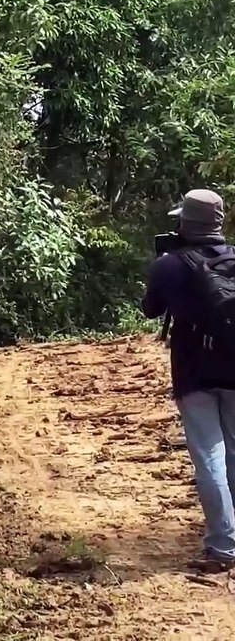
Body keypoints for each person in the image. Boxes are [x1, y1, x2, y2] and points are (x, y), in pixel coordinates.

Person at [142, 189, 235, 572]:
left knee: (208, 455)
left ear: (184, 223)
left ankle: (223, 545)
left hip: (194, 370)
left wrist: (162, 266)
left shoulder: (170, 265)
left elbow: (151, 310)